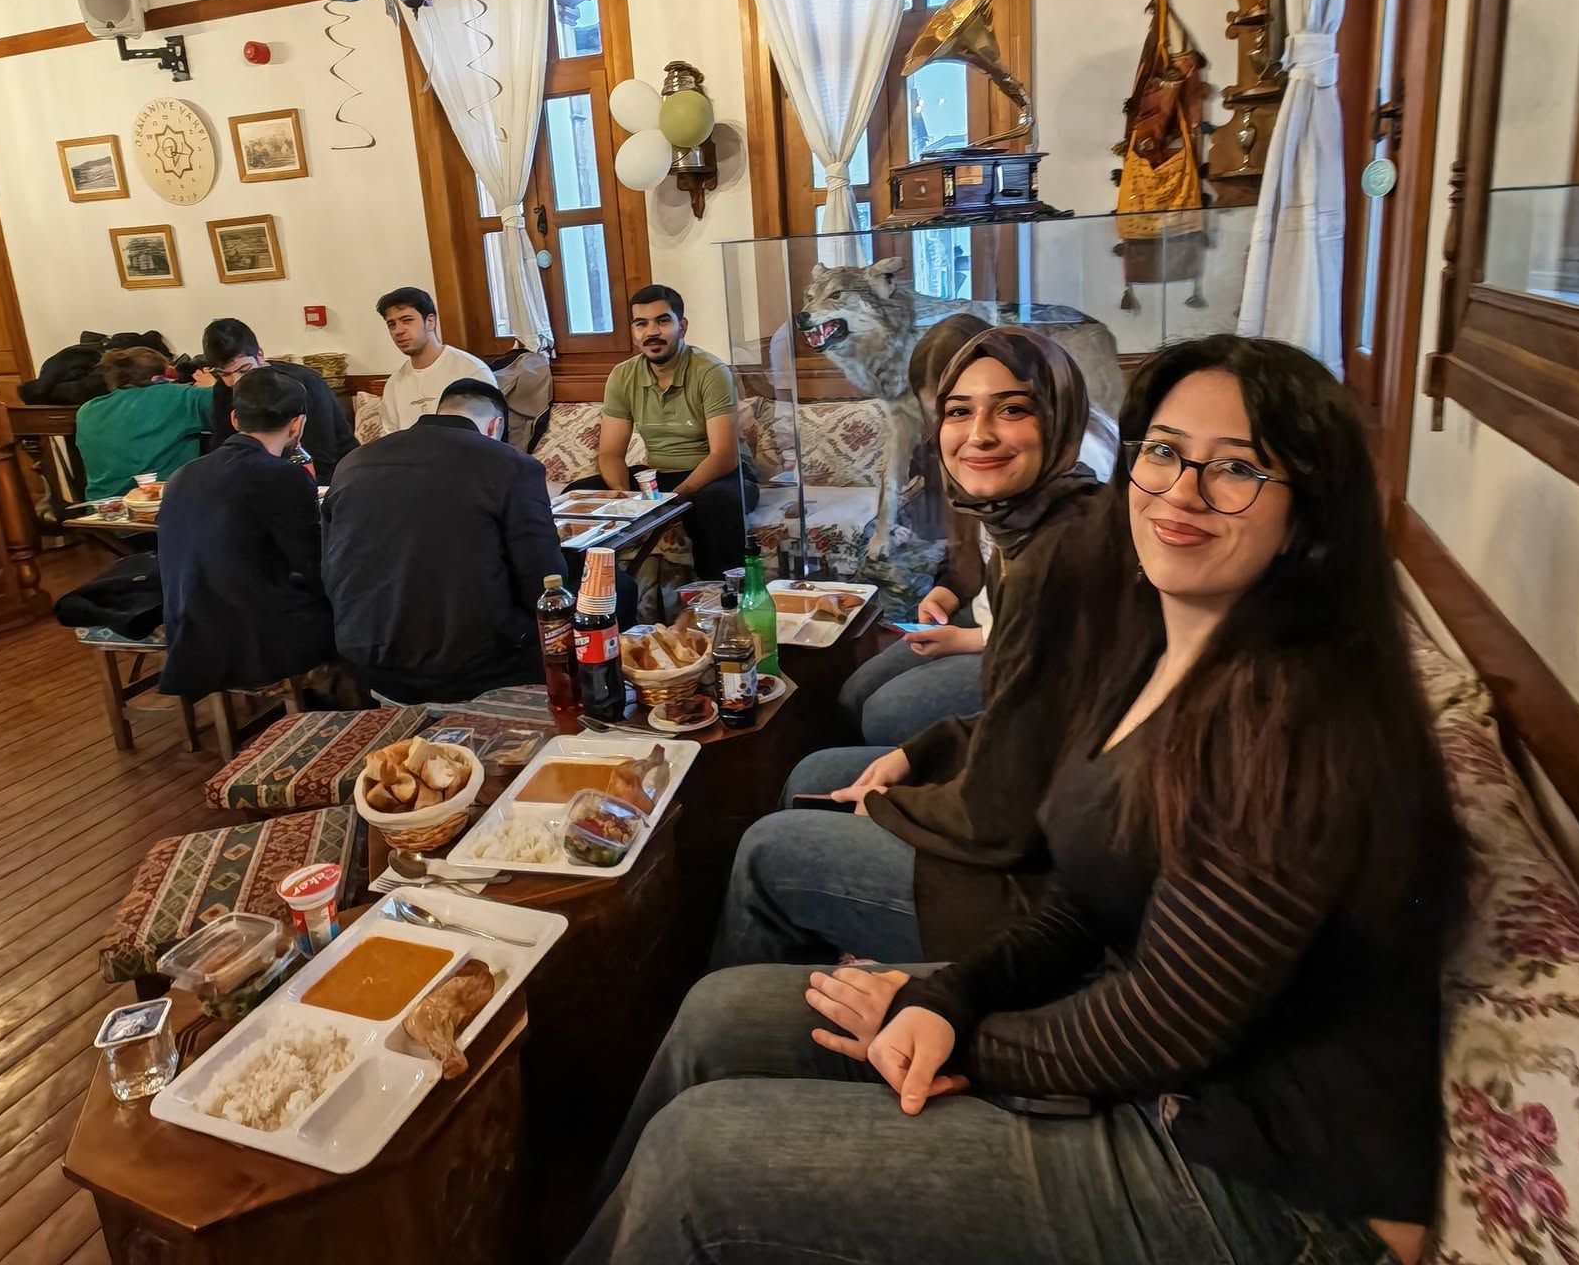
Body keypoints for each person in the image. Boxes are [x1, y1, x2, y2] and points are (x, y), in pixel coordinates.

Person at [572, 334, 1466, 1265]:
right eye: (1164, 452)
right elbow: (1089, 900)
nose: (1181, 492)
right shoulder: (1175, 648)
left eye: (1236, 468)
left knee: (696, 1163)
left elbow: (1168, 1020)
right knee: (717, 1018)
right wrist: (953, 995)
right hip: (1144, 1041)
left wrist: (964, 1040)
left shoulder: (1299, 719)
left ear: (1311, 507)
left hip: (1259, 1183)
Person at [714, 327, 1112, 968]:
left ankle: (780, 991)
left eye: (1012, 409)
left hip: (1032, 887)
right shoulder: (1027, 522)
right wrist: (918, 755)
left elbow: (1015, 800)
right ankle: (825, 959)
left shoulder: (1068, 552)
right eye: (957, 411)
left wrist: (896, 806)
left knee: (769, 846)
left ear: (1060, 417)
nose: (978, 435)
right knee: (816, 773)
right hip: (1015, 799)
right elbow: (1029, 727)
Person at [323, 378, 567, 704]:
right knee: (605, 600)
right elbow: (544, 583)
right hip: (473, 668)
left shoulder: (353, 463)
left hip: (369, 661)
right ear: (494, 426)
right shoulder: (511, 465)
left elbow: (331, 569)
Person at [835, 313, 994, 746]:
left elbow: (1048, 625)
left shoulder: (1063, 486)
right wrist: (945, 591)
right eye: (944, 415)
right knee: (853, 693)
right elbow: (969, 552)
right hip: (986, 616)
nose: (966, 435)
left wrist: (966, 639)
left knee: (882, 714)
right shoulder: (954, 457)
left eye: (960, 409)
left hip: (1014, 642)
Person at [156, 367, 334, 700]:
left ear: (235, 419)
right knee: (356, 609)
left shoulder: (183, 474)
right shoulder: (284, 476)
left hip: (187, 634)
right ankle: (342, 710)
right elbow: (313, 565)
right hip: (250, 640)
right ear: (297, 424)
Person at [579, 284, 757, 578]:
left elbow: (724, 456)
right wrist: (623, 495)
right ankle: (593, 593)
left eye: (662, 321)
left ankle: (724, 594)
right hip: (659, 475)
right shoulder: (622, 375)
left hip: (719, 476)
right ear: (633, 331)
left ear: (682, 326)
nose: (651, 332)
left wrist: (673, 498)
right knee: (579, 494)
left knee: (716, 503)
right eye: (641, 324)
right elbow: (610, 453)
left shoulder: (710, 372)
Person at [198, 318, 357, 482]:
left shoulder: (303, 383)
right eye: (224, 374)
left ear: (260, 355)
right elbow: (223, 446)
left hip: (335, 474)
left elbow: (322, 455)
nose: (236, 381)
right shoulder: (223, 389)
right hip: (261, 475)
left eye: (243, 370)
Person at [73, 346, 215, 501]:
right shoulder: (184, 397)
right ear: (165, 373)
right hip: (161, 506)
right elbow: (230, 412)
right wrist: (213, 387)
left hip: (101, 508)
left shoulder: (87, 410)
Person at [375, 286, 494, 435]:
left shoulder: (471, 371)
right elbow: (391, 438)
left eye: (407, 320)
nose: (398, 331)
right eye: (391, 324)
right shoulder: (394, 384)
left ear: (430, 321)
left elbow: (489, 436)